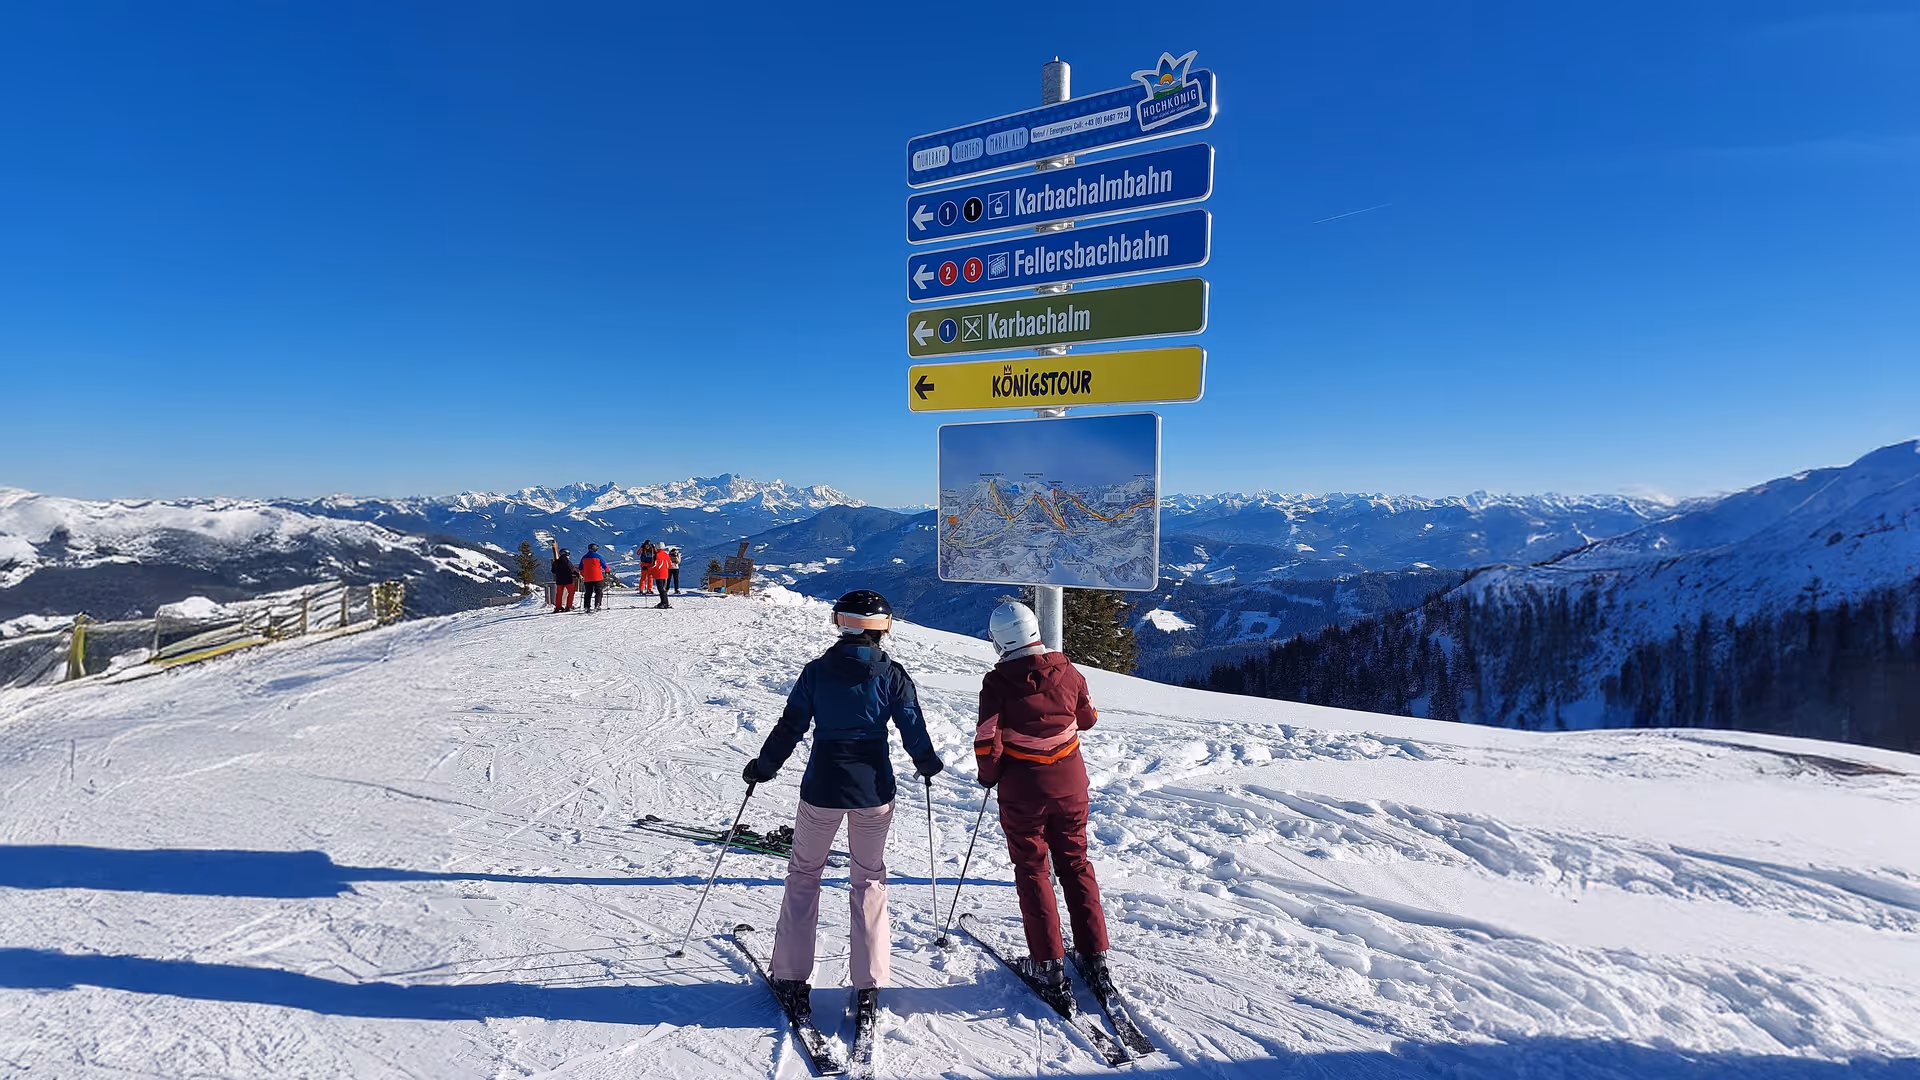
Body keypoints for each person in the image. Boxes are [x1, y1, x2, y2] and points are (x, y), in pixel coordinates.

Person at [742, 590, 943, 1022]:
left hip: (822, 787)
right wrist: (926, 763)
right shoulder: (892, 674)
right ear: (880, 628)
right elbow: (911, 725)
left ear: (841, 623)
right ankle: (868, 984)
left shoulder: (816, 672)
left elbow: (791, 725)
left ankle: (793, 978)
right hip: (873, 790)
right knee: (868, 879)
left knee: (804, 875)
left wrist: (764, 767)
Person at [973, 600, 1112, 1010]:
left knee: (1034, 870)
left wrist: (989, 775)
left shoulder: (997, 683)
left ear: (999, 641)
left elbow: (987, 739)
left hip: (1023, 791)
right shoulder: (1068, 671)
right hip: (1071, 788)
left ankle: (1048, 963)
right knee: (1076, 864)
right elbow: (1087, 718)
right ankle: (1095, 956)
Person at [578, 543, 609, 613]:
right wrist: (607, 572)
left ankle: (586, 606)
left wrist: (584, 575)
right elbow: (605, 565)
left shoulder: (584, 557)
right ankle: (597, 605)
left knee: (588, 592)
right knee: (598, 592)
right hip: (598, 577)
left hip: (587, 578)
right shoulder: (598, 556)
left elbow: (580, 568)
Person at [549, 547, 577, 613]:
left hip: (559, 580)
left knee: (559, 593)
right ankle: (568, 606)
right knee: (571, 592)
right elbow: (571, 569)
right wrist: (576, 574)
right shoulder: (567, 561)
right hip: (568, 580)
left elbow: (553, 571)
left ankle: (558, 607)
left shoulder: (556, 562)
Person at [650, 543, 674, 608]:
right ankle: (665, 602)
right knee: (663, 589)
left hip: (658, 574)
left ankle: (664, 603)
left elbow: (654, 565)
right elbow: (669, 565)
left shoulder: (656, 555)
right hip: (665, 574)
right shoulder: (666, 555)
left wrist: (649, 571)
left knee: (661, 589)